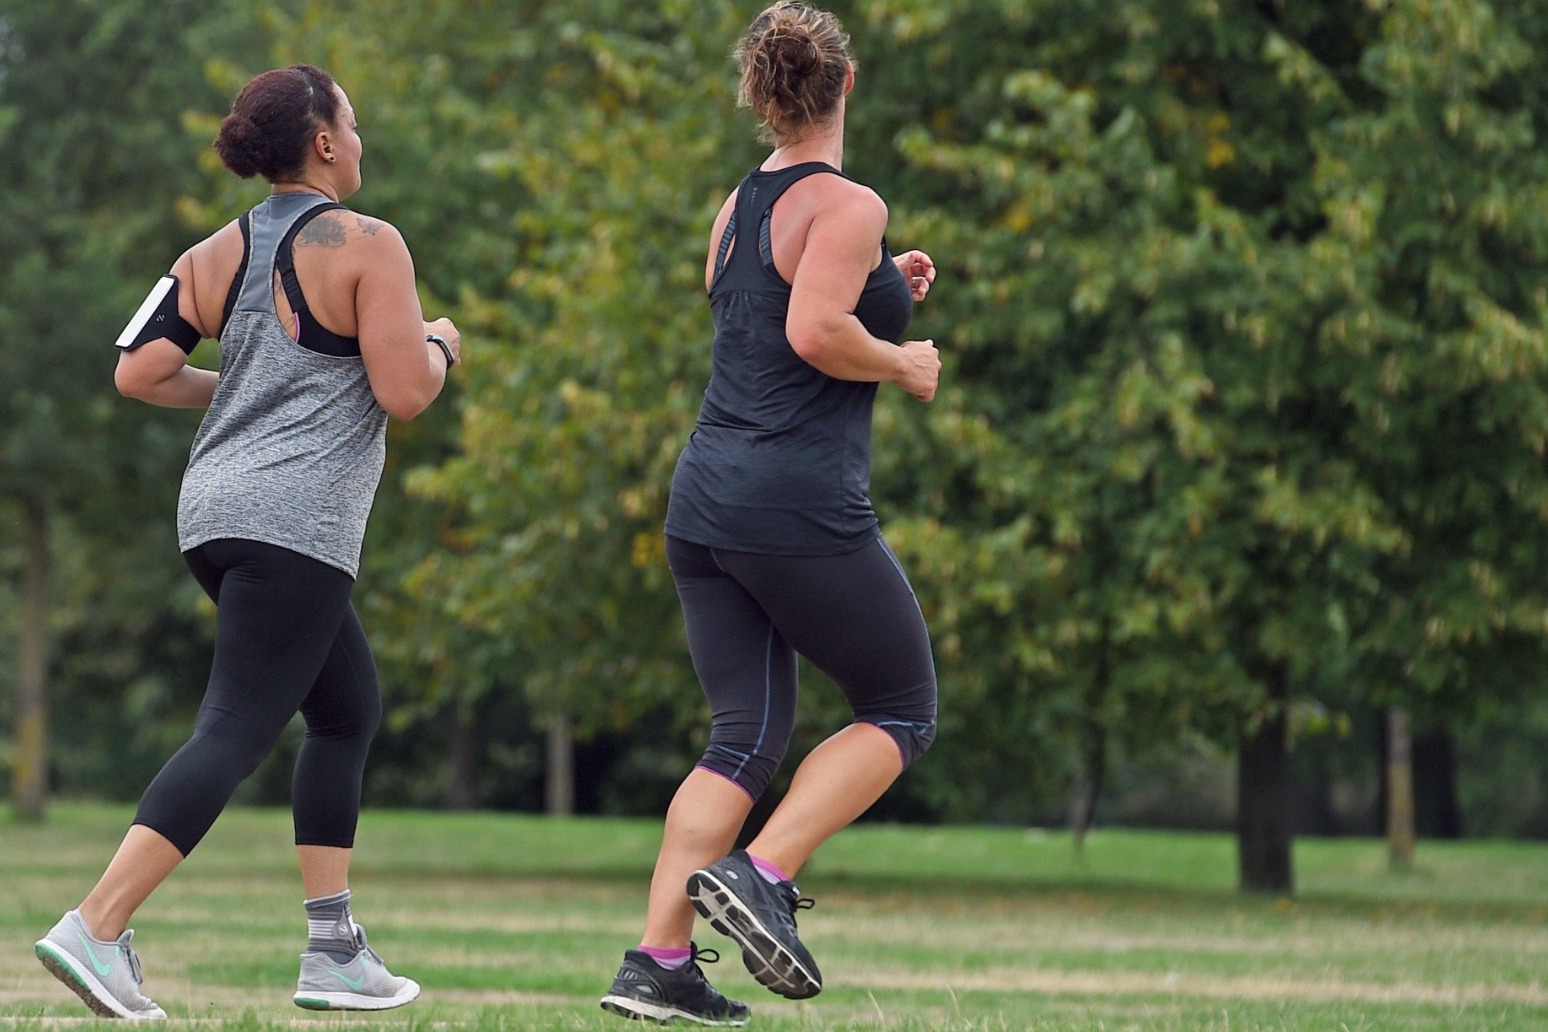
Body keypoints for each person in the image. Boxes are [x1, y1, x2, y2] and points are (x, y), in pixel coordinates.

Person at [32, 63, 461, 1020]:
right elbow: (406, 392)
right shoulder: (369, 242)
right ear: (323, 140)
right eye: (352, 117)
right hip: (294, 525)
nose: (358, 134)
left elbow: (138, 373)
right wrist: (439, 338)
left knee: (347, 709)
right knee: (234, 729)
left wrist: (239, 392)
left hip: (213, 515)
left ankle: (333, 946)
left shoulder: (209, 252)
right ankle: (96, 925)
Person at [600, 3, 941, 1025]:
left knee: (744, 733)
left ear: (762, 95)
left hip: (704, 501)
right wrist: (903, 359)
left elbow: (775, 304)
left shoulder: (738, 205)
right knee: (901, 707)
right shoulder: (848, 202)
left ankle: (659, 961)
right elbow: (813, 328)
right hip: (793, 502)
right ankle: (765, 874)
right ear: (847, 81)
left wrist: (891, 280)